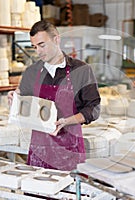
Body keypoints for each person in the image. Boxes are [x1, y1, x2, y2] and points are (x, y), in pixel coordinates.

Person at [8, 20, 101, 171]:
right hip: (40, 150)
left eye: (42, 45)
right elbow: (22, 105)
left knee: (68, 193)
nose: (38, 51)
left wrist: (67, 121)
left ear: (57, 39)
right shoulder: (32, 72)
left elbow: (94, 109)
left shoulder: (81, 70)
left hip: (70, 148)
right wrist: (14, 99)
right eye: (34, 47)